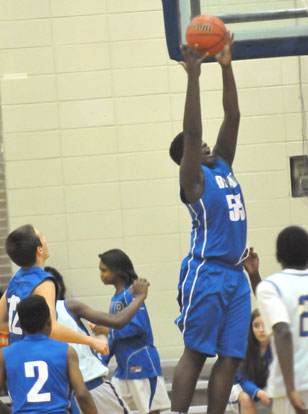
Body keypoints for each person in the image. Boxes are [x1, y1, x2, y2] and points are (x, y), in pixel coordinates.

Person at [168, 34, 250, 414]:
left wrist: (226, 65)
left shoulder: (222, 164)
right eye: (193, 145)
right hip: (207, 271)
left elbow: (232, 116)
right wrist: (194, 78)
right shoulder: (193, 180)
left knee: (231, 358)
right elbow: (195, 132)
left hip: (235, 275)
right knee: (197, 352)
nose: (203, 145)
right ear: (187, 155)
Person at [46, 265, 150, 414]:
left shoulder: (25, 320)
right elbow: (118, 321)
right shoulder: (69, 306)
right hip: (90, 385)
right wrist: (140, 297)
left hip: (60, 396)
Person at [0, 224, 108, 356]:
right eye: (42, 236)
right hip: (36, 357)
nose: (45, 239)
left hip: (15, 357)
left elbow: (1, 322)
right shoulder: (43, 282)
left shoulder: (15, 279)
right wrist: (91, 341)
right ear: (39, 250)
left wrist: (23, 331)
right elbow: (52, 329)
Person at [97, 248, 171, 414]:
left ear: (117, 271)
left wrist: (109, 330)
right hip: (123, 369)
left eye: (104, 270)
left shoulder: (131, 295)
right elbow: (116, 335)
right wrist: (102, 360)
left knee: (151, 410)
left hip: (141, 363)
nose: (100, 274)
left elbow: (140, 327)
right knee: (111, 407)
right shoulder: (115, 298)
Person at [0, 295, 97, 414]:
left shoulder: (5, 355)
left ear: (20, 324)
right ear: (49, 322)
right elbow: (82, 394)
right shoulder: (66, 351)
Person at [256, 225, 308, 414]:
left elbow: (282, 330)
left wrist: (291, 389)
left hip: (292, 385)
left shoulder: (271, 286)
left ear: (278, 257)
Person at [229, 309, 271, 413]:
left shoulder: (277, 346)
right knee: (247, 400)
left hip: (264, 385)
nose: (261, 330)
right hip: (239, 385)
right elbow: (243, 380)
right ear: (251, 328)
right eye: (256, 326)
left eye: (265, 324)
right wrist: (259, 392)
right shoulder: (244, 346)